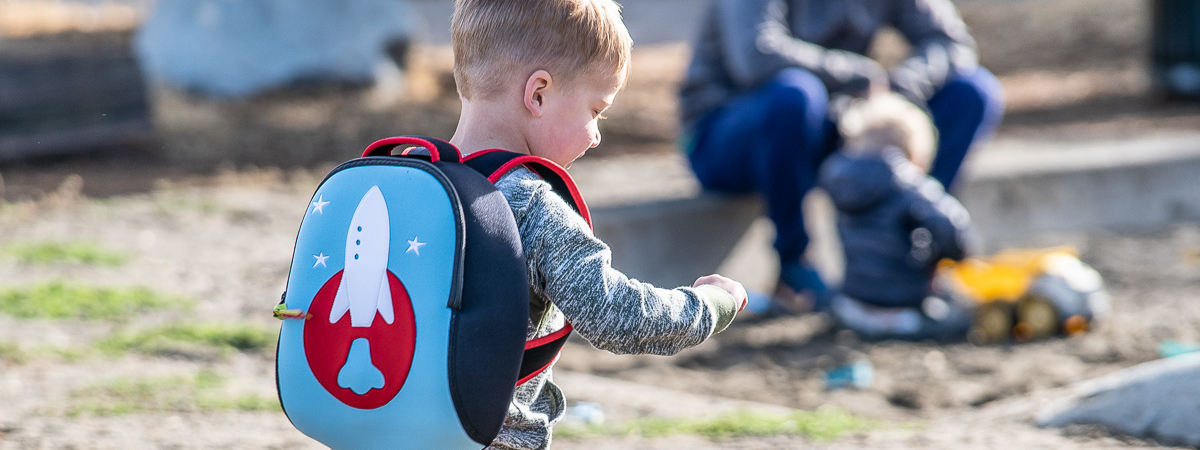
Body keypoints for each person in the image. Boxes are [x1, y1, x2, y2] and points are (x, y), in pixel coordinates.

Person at [448, 1, 749, 448]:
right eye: (596, 110)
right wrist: (711, 304)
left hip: (381, 424)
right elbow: (615, 316)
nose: (597, 134)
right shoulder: (529, 204)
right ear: (538, 94)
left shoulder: (404, 173)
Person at [679, 0, 1004, 314]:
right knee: (797, 93)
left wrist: (905, 82)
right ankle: (795, 266)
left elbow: (951, 42)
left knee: (973, 90)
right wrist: (859, 73)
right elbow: (756, 55)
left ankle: (915, 245)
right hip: (725, 133)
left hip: (831, 119)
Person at [820, 92, 980, 341]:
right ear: (911, 151)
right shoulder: (907, 182)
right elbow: (953, 228)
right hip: (903, 303)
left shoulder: (838, 177)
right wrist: (948, 255)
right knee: (962, 315)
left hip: (853, 303)